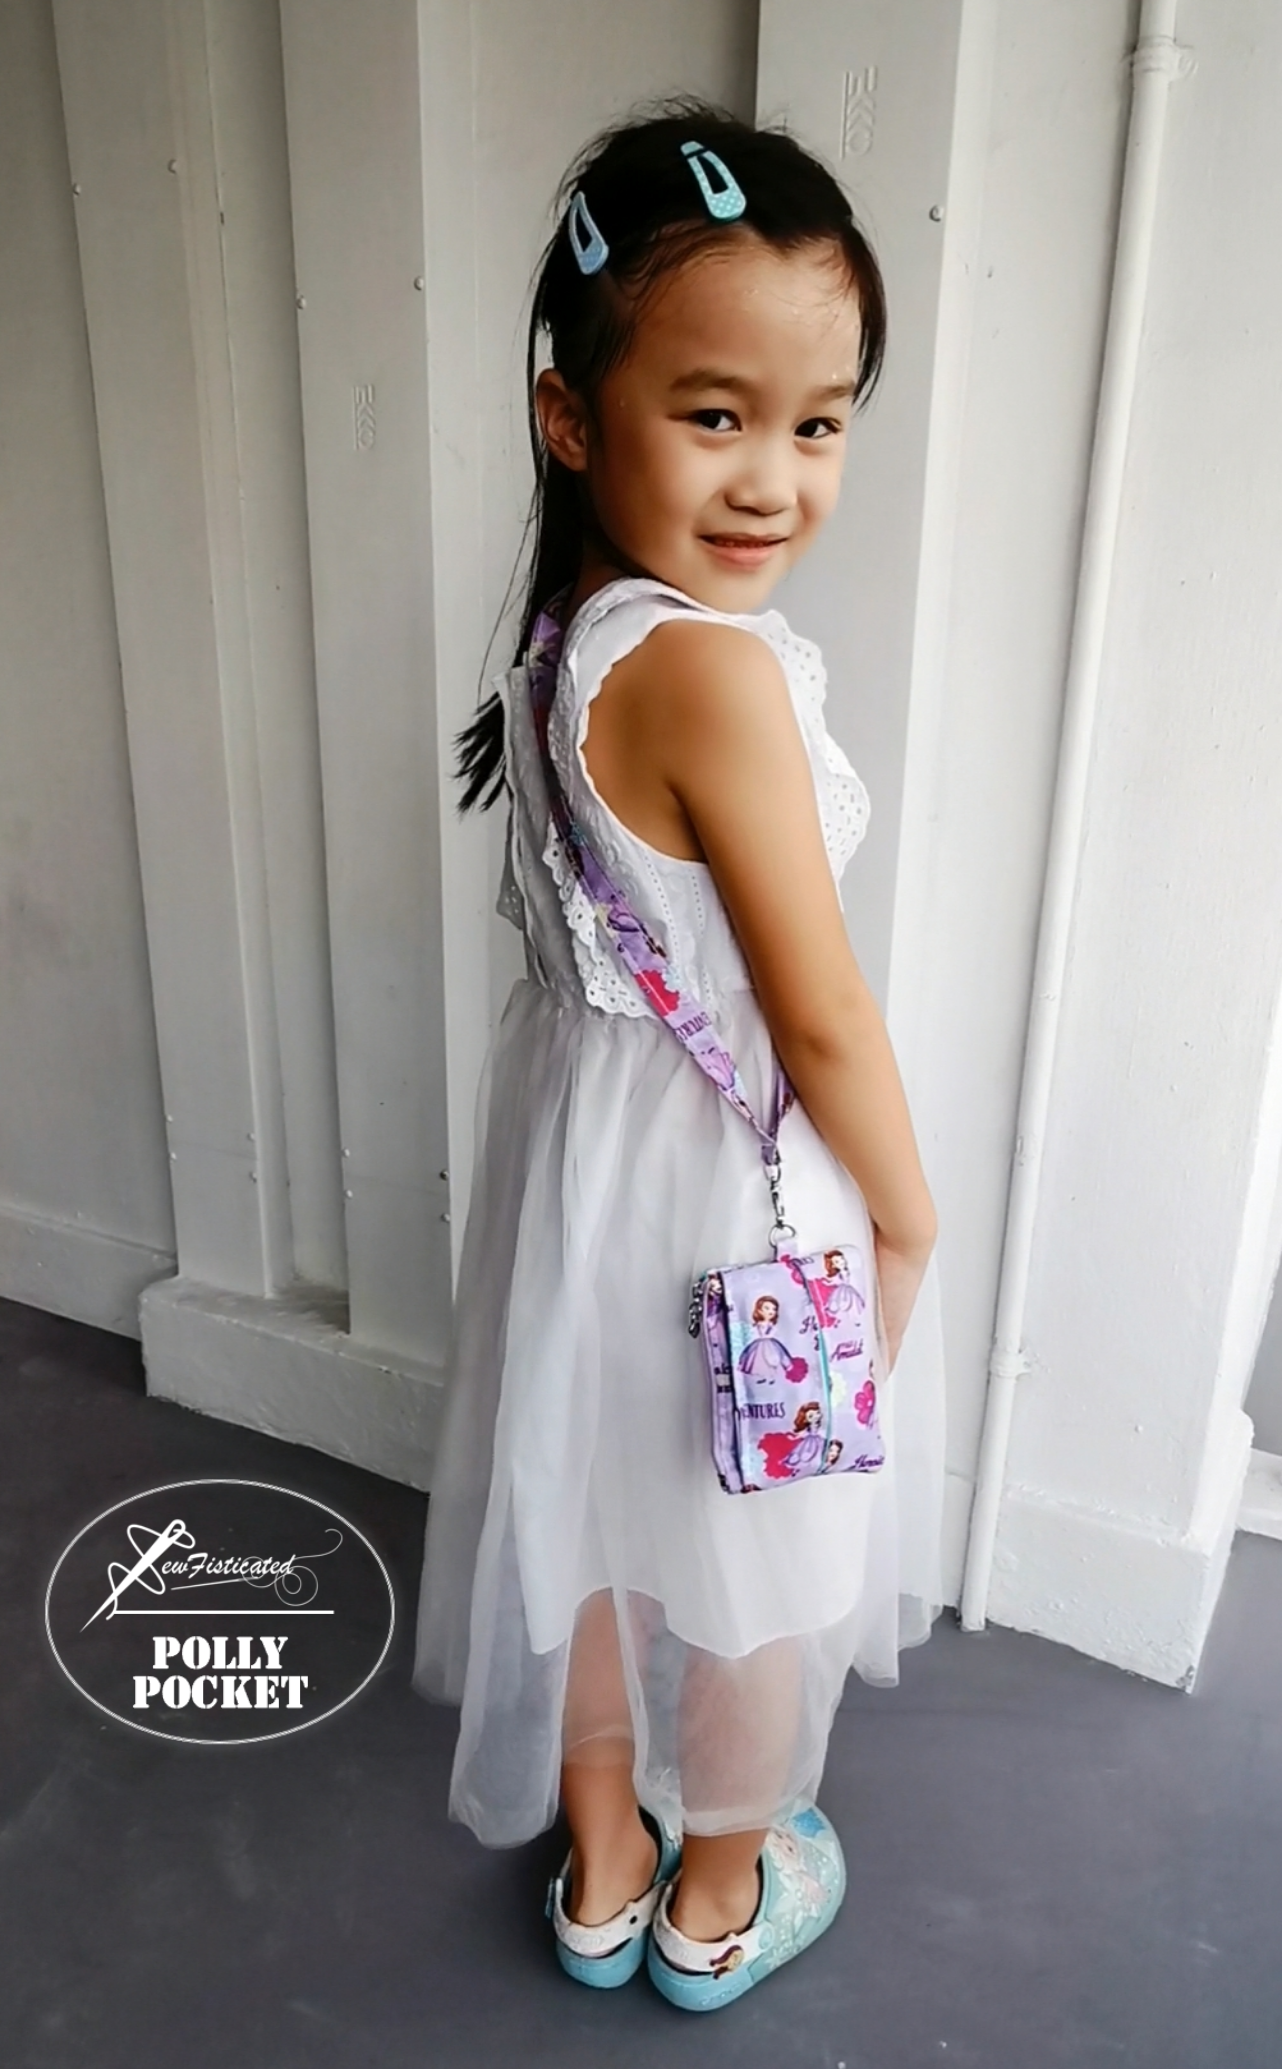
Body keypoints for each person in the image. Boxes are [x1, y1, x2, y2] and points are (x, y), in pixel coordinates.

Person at [411, 98, 946, 2013]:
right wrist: (905, 1217)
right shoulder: (714, 670)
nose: (772, 480)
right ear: (571, 415)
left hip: (590, 1157)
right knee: (751, 1548)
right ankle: (718, 1893)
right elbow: (818, 1012)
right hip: (736, 1189)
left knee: (591, 1513)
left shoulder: (577, 634)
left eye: (819, 424)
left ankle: (603, 1863)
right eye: (714, 414)